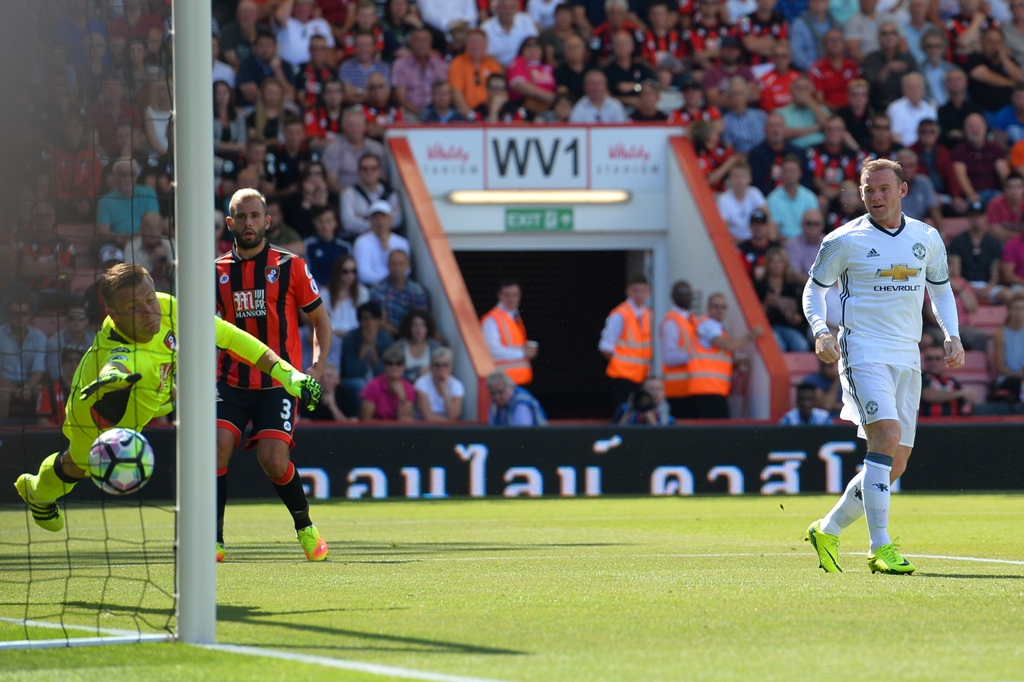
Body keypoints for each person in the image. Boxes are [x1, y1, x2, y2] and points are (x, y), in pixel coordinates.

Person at [15, 264, 322, 535]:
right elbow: (117, 363)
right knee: (76, 466)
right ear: (115, 314)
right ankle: (37, 492)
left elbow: (230, 337)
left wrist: (287, 374)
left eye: (150, 298)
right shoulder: (117, 348)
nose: (149, 311)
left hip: (154, 396)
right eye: (134, 307)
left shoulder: (169, 308)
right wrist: (114, 378)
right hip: (97, 415)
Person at [803, 158, 964, 575]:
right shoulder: (844, 240)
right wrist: (821, 330)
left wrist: (952, 333)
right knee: (886, 436)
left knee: (895, 463)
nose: (875, 197)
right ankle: (880, 546)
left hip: (907, 355)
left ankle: (827, 528)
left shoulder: (927, 238)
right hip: (862, 350)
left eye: (883, 189)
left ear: (902, 190)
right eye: (868, 190)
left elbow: (941, 291)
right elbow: (813, 290)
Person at [214, 189, 333, 563]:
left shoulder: (290, 265)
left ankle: (305, 527)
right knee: (215, 448)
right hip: (230, 382)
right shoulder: (213, 271)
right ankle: (213, 540)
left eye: (255, 216)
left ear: (267, 221)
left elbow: (320, 320)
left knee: (273, 460)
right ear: (230, 223)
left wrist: (316, 365)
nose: (248, 223)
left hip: (277, 384)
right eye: (241, 216)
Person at [688, 293, 764, 418]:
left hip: (713, 390)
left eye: (723, 307)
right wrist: (751, 336)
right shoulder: (708, 325)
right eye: (716, 307)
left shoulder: (717, 327)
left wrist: (734, 366)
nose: (720, 310)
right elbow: (728, 345)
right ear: (709, 308)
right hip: (707, 391)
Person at [599, 273, 653, 408]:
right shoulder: (620, 314)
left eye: (643, 291)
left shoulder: (648, 314)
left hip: (640, 376)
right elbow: (606, 346)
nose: (639, 294)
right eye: (635, 290)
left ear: (648, 292)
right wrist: (620, 364)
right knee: (624, 411)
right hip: (622, 376)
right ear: (628, 291)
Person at [481, 279, 537, 385]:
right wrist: (522, 353)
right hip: (503, 384)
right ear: (499, 295)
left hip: (517, 381)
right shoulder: (492, 320)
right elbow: (493, 351)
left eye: (515, 295)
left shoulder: (514, 316)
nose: (511, 299)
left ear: (520, 295)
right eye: (507, 295)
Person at [96, 158, 161, 249]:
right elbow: (103, 230)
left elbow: (154, 222)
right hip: (117, 244)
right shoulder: (105, 201)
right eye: (123, 174)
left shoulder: (149, 193)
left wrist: (135, 238)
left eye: (132, 174)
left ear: (136, 176)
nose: (127, 178)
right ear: (115, 176)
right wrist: (116, 237)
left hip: (146, 240)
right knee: (108, 253)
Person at [321, 107, 388, 193]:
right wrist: (349, 197)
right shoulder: (333, 149)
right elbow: (331, 182)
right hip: (343, 196)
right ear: (343, 128)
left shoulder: (377, 148)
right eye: (350, 126)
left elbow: (383, 178)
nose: (354, 129)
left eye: (358, 125)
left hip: (374, 195)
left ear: (365, 127)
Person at [755, 247, 810, 351]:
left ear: (785, 265)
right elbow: (754, 317)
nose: (776, 264)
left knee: (801, 345)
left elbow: (800, 319)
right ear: (767, 264)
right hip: (767, 327)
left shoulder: (793, 287)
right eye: (773, 261)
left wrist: (792, 315)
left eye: (780, 261)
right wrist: (767, 303)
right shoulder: (759, 286)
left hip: (787, 327)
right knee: (779, 346)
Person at [0, 299, 47, 421]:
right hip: (4, 385)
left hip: (30, 384)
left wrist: (28, 387)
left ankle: (43, 430)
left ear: (30, 315)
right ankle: (3, 434)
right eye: (15, 314)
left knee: (43, 392)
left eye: (24, 313)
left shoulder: (40, 337)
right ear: (8, 315)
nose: (20, 317)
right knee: (2, 395)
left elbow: (38, 369)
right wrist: (14, 390)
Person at [949, 200, 1004, 303]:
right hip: (965, 285)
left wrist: (988, 288)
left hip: (987, 286)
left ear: (986, 218)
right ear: (969, 218)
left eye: (980, 216)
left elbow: (995, 275)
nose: (977, 219)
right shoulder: (958, 241)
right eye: (974, 216)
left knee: (1007, 295)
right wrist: (970, 288)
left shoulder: (993, 242)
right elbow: (956, 273)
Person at [952, 113, 1010, 207]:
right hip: (973, 195)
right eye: (971, 127)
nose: (975, 130)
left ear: (985, 128)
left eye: (978, 126)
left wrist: (1009, 193)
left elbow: (1004, 174)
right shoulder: (959, 151)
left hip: (995, 193)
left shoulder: (995, 149)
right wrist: (971, 195)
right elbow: (961, 176)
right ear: (965, 130)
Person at [659, 280, 698, 419]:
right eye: (681, 293)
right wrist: (695, 357)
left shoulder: (691, 319)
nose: (686, 296)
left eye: (688, 293)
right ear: (673, 296)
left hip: (691, 387)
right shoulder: (671, 322)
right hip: (677, 389)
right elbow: (669, 357)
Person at [392, 28, 450, 116]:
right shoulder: (400, 65)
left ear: (431, 43)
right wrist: (419, 114)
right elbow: (400, 97)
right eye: (418, 40)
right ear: (411, 42)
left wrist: (432, 115)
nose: (421, 44)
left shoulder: (440, 65)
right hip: (410, 113)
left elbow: (444, 93)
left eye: (425, 40)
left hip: (436, 113)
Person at [353, 200, 412, 286]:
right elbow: (363, 274)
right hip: (371, 287)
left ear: (390, 219)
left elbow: (406, 270)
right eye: (376, 218)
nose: (380, 221)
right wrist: (388, 282)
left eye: (383, 217)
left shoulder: (402, 242)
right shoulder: (361, 242)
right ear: (370, 220)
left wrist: (387, 249)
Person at [862, 21, 918, 111]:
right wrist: (887, 68)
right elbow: (871, 86)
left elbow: (915, 84)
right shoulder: (871, 59)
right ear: (879, 38)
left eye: (893, 33)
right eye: (884, 34)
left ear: (899, 38)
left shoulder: (908, 59)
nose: (889, 37)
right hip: (878, 107)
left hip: (904, 107)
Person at [371, 250, 430, 335]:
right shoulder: (378, 290)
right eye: (393, 264)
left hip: (415, 333)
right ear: (388, 266)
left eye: (401, 263)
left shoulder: (418, 290)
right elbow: (380, 321)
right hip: (389, 334)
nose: (397, 267)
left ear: (408, 266)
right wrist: (401, 333)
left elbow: (422, 317)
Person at [236, 26, 297, 107]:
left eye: (269, 46)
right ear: (255, 48)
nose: (265, 50)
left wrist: (278, 71)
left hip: (279, 106)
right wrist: (278, 99)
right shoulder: (247, 64)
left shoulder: (285, 65)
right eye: (261, 46)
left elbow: (291, 94)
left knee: (294, 109)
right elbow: (251, 96)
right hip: (254, 106)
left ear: (275, 48)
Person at [749, 113, 806, 196]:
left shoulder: (797, 152)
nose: (775, 130)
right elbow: (757, 184)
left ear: (785, 129)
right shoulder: (756, 154)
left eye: (778, 126)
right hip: (767, 200)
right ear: (764, 130)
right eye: (771, 126)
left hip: (796, 198)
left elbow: (805, 180)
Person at [450, 30, 504, 115]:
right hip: (467, 113)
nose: (475, 46)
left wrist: (492, 112)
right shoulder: (457, 64)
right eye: (472, 42)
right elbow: (456, 92)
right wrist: (470, 115)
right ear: (466, 45)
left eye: (479, 42)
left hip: (489, 111)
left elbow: (501, 92)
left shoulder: (494, 66)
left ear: (486, 45)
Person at [322, 254, 371, 348]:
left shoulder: (363, 292)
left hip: (356, 338)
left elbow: (364, 319)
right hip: (332, 337)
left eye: (353, 271)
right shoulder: (325, 293)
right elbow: (323, 321)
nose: (350, 275)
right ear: (337, 272)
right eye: (345, 272)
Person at [716, 161, 769, 243]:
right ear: (730, 178)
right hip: (734, 242)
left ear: (749, 178)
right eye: (735, 176)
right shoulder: (723, 199)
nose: (739, 180)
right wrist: (743, 243)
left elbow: (768, 215)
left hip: (755, 240)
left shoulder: (754, 193)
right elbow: (723, 229)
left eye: (743, 176)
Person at [359, 345, 416, 420]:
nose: (394, 367)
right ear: (384, 366)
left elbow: (404, 419)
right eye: (390, 363)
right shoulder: (373, 386)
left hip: (397, 430)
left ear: (404, 367)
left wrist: (402, 397)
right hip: (376, 430)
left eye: (398, 363)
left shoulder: (409, 388)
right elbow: (366, 419)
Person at [273, 0, 336, 67]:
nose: (303, 8)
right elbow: (279, 17)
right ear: (293, 6)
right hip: (287, 71)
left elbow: (329, 52)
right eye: (300, 4)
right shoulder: (287, 22)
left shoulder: (322, 24)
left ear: (312, 7)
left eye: (307, 4)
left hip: (313, 71)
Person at [810, 29, 862, 110]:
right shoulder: (817, 69)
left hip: (854, 111)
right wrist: (839, 111)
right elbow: (818, 99)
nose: (834, 43)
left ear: (844, 44)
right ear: (824, 46)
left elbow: (861, 94)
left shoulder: (854, 67)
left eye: (838, 40)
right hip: (829, 114)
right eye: (830, 41)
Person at [302, 207, 352, 286]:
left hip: (341, 289)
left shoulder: (345, 247)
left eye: (328, 221)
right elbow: (309, 272)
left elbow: (348, 272)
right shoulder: (307, 245)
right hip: (316, 291)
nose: (324, 225)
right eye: (320, 221)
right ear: (315, 224)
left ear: (335, 223)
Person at [482, 0, 540, 67]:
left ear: (517, 8)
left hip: (525, 68)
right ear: (497, 8)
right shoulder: (486, 28)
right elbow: (487, 57)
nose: (508, 11)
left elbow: (536, 45)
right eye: (504, 7)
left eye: (512, 7)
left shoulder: (526, 20)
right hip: (497, 69)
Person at [896, 149, 943, 231]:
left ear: (916, 167)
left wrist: (941, 234)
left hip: (917, 230)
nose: (906, 169)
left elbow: (934, 209)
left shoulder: (924, 182)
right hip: (894, 229)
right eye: (902, 166)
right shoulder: (889, 185)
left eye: (910, 165)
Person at [45, 306, 94, 382]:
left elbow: (96, 368)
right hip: (62, 386)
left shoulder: (94, 340)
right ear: (66, 320)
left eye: (81, 318)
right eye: (72, 317)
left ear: (87, 321)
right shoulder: (55, 341)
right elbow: (55, 373)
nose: (76, 321)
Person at [886, 73, 937, 146]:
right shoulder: (894, 108)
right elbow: (895, 137)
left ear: (923, 90)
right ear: (903, 90)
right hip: (903, 152)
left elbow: (933, 135)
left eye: (917, 87)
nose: (914, 91)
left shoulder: (930, 109)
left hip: (924, 150)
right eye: (910, 87)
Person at [37, 348, 83, 428]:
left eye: (77, 360)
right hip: (57, 437)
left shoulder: (90, 389)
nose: (74, 365)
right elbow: (42, 422)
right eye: (69, 361)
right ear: (63, 364)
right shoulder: (48, 390)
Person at [920, 346, 974, 415]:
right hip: (928, 424)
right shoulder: (920, 378)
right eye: (929, 359)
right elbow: (927, 395)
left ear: (944, 361)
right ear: (924, 361)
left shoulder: (952, 381)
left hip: (952, 424)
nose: (933, 362)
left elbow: (965, 410)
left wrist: (970, 402)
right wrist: (959, 393)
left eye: (938, 358)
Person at [416, 346, 465, 420]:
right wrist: (450, 424)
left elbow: (454, 415)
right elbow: (427, 416)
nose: (441, 368)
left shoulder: (457, 385)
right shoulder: (421, 383)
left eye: (445, 365)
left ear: (451, 367)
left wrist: (445, 390)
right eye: (437, 365)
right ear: (431, 367)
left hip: (448, 428)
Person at [722, 78, 768, 154]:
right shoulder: (725, 121)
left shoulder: (760, 115)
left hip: (765, 154)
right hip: (744, 159)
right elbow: (729, 150)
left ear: (746, 96)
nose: (737, 97)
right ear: (729, 97)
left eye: (740, 93)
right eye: (733, 94)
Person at [991, 292, 1024, 399]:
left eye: (1022, 308)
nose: (1018, 312)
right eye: (1015, 308)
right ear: (1009, 311)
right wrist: (1018, 375)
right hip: (1008, 378)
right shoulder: (1000, 333)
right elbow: (1000, 367)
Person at [790, 0, 837, 72]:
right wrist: (815, 68)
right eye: (814, 1)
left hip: (832, 70)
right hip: (806, 71)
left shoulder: (835, 24)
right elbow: (796, 53)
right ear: (808, 3)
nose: (817, 3)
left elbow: (840, 49)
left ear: (828, 3)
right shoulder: (799, 24)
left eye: (821, 1)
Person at [739, 209, 783, 279]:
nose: (758, 228)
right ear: (750, 226)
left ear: (767, 226)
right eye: (755, 224)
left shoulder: (776, 247)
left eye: (761, 224)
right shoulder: (743, 248)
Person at [786, 209, 825, 286]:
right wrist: (817, 285)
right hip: (801, 290)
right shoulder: (792, 245)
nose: (812, 227)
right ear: (802, 224)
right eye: (808, 223)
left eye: (816, 224)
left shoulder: (830, 243)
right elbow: (795, 274)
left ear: (822, 226)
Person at [987, 173, 1024, 241]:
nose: (1014, 191)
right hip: (1001, 242)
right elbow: (994, 231)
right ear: (1004, 189)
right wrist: (1019, 239)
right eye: (1010, 187)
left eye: (1018, 187)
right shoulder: (995, 204)